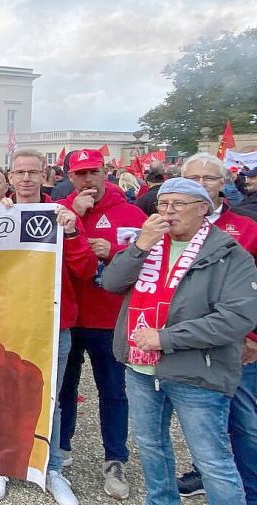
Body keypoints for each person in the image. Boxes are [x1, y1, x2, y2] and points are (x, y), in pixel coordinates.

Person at [102, 177, 257, 505]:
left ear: (204, 209)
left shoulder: (230, 255)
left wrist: (166, 338)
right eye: (163, 204)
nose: (169, 211)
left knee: (212, 460)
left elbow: (236, 318)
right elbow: (112, 283)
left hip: (196, 370)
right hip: (141, 368)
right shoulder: (149, 244)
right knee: (152, 449)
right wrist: (140, 246)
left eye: (178, 204)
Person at [0, 149, 97, 504]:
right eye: (20, 172)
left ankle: (52, 468)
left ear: (44, 174)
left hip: (52, 323)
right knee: (2, 393)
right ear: (11, 177)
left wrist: (73, 234)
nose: (27, 178)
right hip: (7, 320)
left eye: (33, 172)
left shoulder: (61, 215)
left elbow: (86, 271)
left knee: (51, 398)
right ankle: (0, 464)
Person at [59, 149, 146, 500]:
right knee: (64, 390)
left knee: (113, 391)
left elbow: (150, 262)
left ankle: (115, 458)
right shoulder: (58, 208)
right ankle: (60, 450)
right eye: (80, 174)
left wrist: (112, 251)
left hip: (108, 318)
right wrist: (75, 220)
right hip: (67, 315)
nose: (87, 180)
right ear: (70, 177)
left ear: (106, 171)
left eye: (93, 172)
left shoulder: (131, 212)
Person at [174, 153, 257, 501]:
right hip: (185, 341)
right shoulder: (169, 226)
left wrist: (252, 337)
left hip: (235, 342)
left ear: (223, 184)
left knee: (245, 423)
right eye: (192, 179)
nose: (200, 185)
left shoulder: (248, 227)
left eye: (208, 179)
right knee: (202, 422)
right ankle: (203, 473)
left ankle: (250, 489)